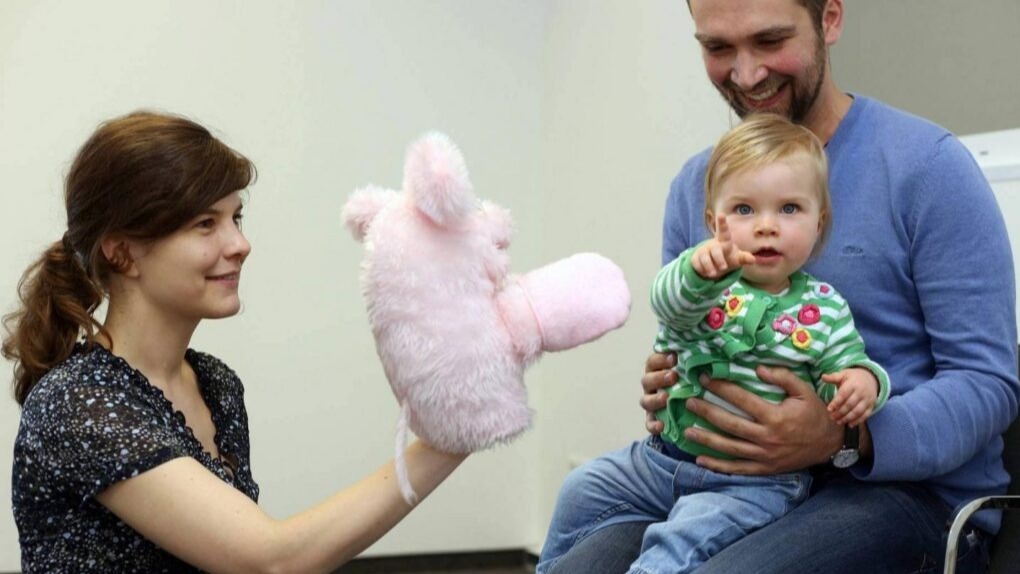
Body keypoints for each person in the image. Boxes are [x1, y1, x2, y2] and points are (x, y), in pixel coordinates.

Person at [539, 1, 1019, 573]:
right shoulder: (698, 184)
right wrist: (671, 382)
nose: (745, 74)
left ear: (831, 20)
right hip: (713, 480)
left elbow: (988, 385)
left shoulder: (929, 169)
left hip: (907, 498)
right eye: (718, 48)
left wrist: (846, 436)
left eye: (769, 40)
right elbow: (684, 325)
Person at [5, 111, 467, 573]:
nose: (240, 244)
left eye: (236, 217)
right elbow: (270, 562)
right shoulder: (77, 403)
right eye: (205, 223)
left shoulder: (216, 385)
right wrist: (451, 435)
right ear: (121, 250)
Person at [543, 113, 893, 574]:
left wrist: (864, 383)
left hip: (754, 485)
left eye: (789, 209)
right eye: (745, 210)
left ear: (819, 221)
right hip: (661, 461)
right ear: (713, 221)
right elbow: (667, 302)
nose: (767, 226)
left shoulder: (824, 306)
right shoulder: (704, 284)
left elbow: (848, 362)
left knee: (681, 539)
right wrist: (696, 269)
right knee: (582, 485)